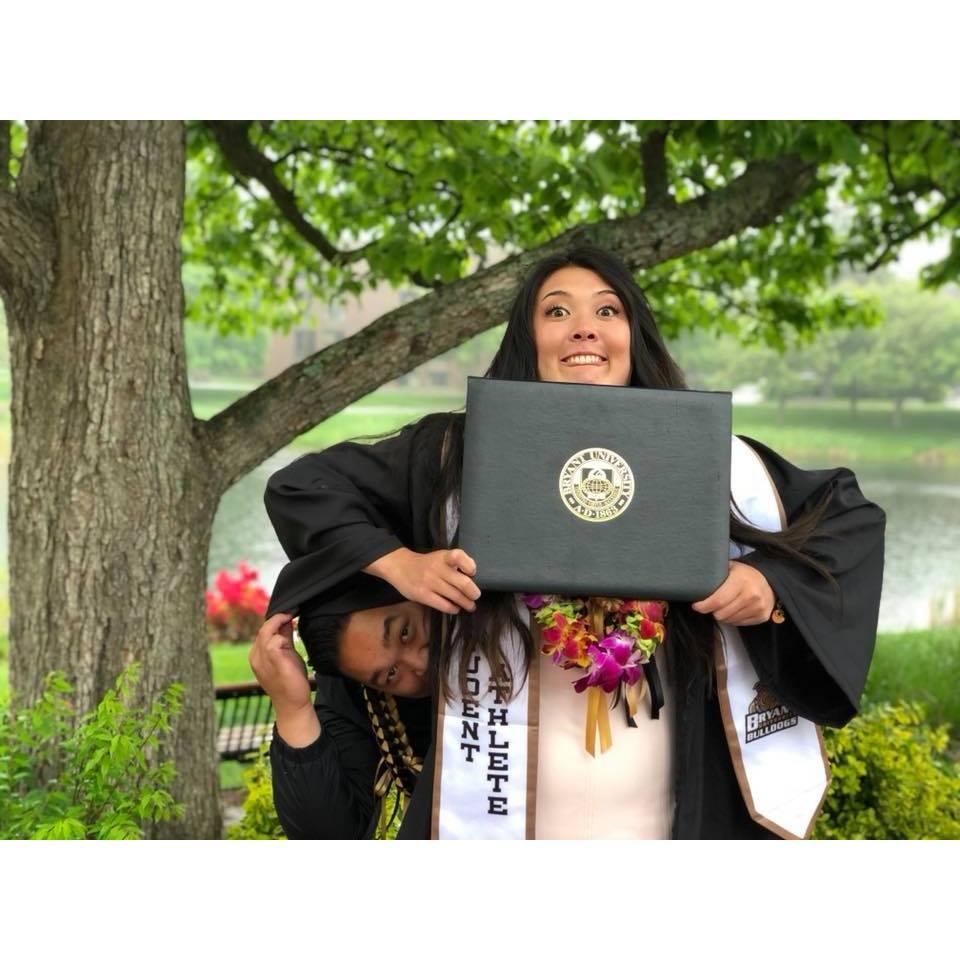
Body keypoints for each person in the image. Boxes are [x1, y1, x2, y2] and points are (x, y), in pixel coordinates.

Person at [255, 245, 885, 839]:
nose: (584, 328)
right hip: (497, 828)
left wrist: (769, 584)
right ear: (527, 341)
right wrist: (401, 564)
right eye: (557, 311)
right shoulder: (456, 460)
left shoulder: (714, 465)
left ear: (632, 337)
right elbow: (303, 485)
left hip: (675, 823)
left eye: (607, 310)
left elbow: (847, 520)